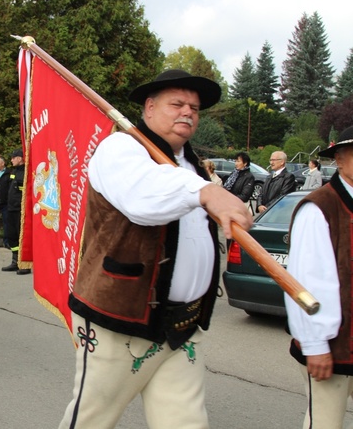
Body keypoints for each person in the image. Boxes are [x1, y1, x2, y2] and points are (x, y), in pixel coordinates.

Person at [58, 69, 253, 428]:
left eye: (194, 108)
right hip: (120, 322)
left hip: (184, 324)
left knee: (186, 422)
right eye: (177, 104)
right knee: (92, 420)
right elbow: (143, 198)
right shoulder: (120, 148)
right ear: (149, 108)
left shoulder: (192, 165)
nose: (188, 112)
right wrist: (205, 191)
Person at [285, 125, 353, 428]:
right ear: (339, 159)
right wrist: (315, 345)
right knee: (325, 423)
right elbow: (305, 282)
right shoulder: (319, 208)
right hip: (333, 345)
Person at [1, 149, 32, 275]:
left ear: (19, 158)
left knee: (21, 236)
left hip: (21, 209)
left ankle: (24, 265)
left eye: (13, 158)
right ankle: (15, 261)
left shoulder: (26, 172)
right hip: (11, 208)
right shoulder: (14, 171)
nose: (11, 160)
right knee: (12, 235)